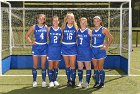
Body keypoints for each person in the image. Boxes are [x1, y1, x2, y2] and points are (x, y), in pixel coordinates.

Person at [25, 14, 48, 87]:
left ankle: (43, 81)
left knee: (43, 65)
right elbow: (26, 35)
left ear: (44, 20)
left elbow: (48, 36)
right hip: (36, 47)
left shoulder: (46, 27)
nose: (41, 20)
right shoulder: (34, 27)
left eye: (42, 19)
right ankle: (35, 81)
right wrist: (31, 42)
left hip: (44, 47)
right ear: (37, 19)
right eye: (39, 18)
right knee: (35, 65)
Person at [92, 16, 113, 88]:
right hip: (93, 50)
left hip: (100, 50)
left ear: (100, 21)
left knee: (100, 67)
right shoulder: (92, 30)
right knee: (95, 67)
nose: (96, 22)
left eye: (97, 21)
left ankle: (102, 83)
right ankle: (97, 82)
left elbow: (111, 38)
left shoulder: (104, 29)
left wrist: (106, 46)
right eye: (94, 21)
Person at [61, 12, 78, 87]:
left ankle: (73, 80)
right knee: (67, 65)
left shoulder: (76, 28)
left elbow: (78, 37)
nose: (71, 19)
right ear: (66, 19)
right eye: (69, 18)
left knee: (73, 65)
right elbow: (60, 37)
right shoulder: (63, 27)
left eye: (72, 18)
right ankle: (69, 80)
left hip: (73, 48)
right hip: (64, 47)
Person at [76, 17, 92, 88]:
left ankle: (87, 82)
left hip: (87, 52)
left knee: (88, 67)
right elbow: (76, 40)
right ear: (79, 23)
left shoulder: (89, 31)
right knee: (80, 67)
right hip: (79, 52)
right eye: (81, 22)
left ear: (86, 23)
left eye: (84, 22)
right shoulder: (77, 31)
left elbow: (94, 39)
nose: (83, 23)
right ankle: (80, 81)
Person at [47, 16, 62, 87]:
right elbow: (46, 38)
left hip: (58, 50)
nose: (55, 22)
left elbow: (62, 40)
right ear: (52, 22)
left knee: (56, 65)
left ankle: (55, 80)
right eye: (54, 21)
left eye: (57, 21)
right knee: (50, 65)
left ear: (59, 22)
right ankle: (50, 81)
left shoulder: (61, 30)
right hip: (51, 50)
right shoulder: (49, 29)